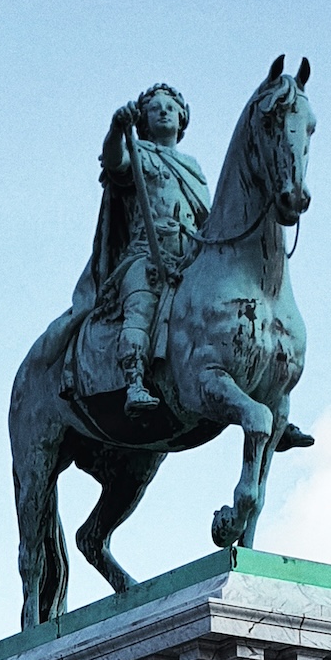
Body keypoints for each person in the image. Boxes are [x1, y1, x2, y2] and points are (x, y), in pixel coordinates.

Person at [95, 83, 210, 414]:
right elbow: (115, 161)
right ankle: (134, 383)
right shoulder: (138, 152)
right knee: (140, 307)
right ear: (143, 120)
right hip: (147, 255)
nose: (164, 111)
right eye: (155, 108)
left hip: (189, 258)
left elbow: (208, 218)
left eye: (171, 108)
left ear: (181, 118)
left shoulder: (193, 167)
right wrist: (117, 128)